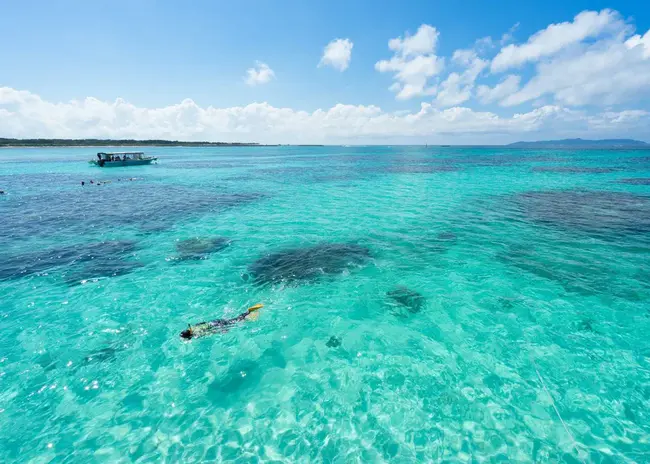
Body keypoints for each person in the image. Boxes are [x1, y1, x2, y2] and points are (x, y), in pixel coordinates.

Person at [180, 304, 263, 340]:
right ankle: (247, 313)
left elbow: (210, 332)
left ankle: (248, 312)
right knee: (233, 320)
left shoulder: (196, 335)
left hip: (217, 325)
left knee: (237, 321)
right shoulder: (192, 327)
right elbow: (203, 323)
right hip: (214, 321)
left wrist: (221, 331)